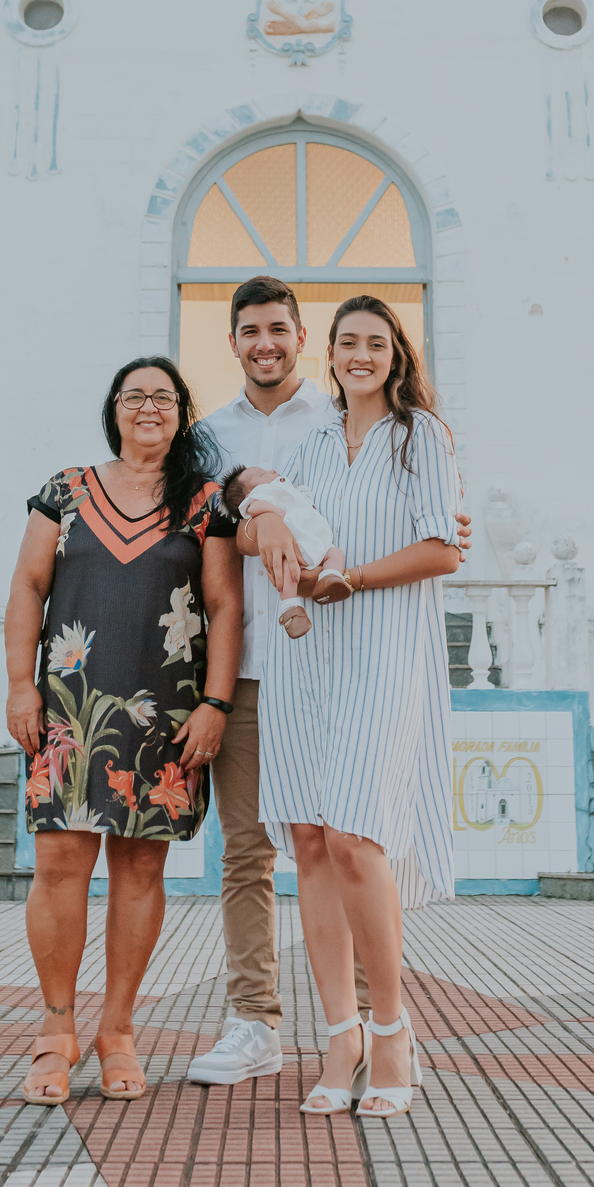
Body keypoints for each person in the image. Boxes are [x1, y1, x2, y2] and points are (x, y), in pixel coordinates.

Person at [189, 276, 471, 1090]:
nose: (359, 356)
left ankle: (388, 1029)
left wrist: (367, 572)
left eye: (373, 343)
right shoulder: (256, 442)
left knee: (354, 838)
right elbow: (238, 523)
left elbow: (443, 541)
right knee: (290, 842)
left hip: (373, 651)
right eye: (350, 343)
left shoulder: (415, 433)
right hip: (285, 663)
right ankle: (310, 1036)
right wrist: (265, 521)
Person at [4, 356, 242, 1105]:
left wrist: (216, 704)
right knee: (60, 864)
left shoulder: (205, 501)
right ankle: (55, 1029)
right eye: (134, 396)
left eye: (164, 398)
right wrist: (20, 685)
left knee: (140, 871)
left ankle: (116, 1030)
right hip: (70, 707)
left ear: (181, 414)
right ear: (114, 408)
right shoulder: (65, 491)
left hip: (165, 712)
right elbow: (28, 587)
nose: (148, 408)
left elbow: (226, 607)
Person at [218, 463, 350, 637]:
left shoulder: (288, 488)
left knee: (335, 554)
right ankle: (290, 607)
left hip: (318, 541)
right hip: (296, 543)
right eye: (262, 474)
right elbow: (252, 508)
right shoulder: (262, 495)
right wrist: (273, 512)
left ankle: (330, 578)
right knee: (288, 569)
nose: (271, 471)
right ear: (250, 493)